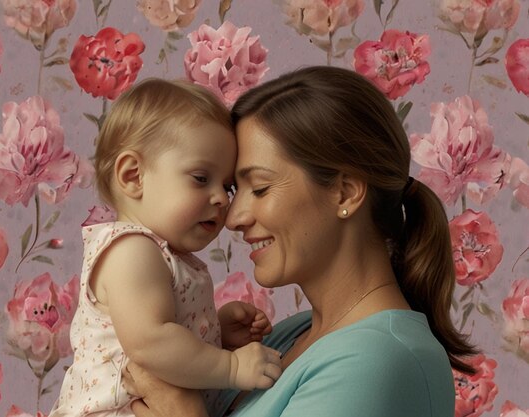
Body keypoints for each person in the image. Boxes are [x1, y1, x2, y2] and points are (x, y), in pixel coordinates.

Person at [123, 66, 478, 417]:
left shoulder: (378, 360)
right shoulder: (291, 335)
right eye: (236, 189)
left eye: (260, 188)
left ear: (345, 192)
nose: (234, 217)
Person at [49, 78, 282, 417]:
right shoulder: (132, 251)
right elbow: (150, 343)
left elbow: (168, 341)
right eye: (201, 178)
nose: (221, 198)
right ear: (133, 176)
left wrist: (213, 333)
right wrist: (230, 366)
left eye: (227, 187)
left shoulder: (164, 256)